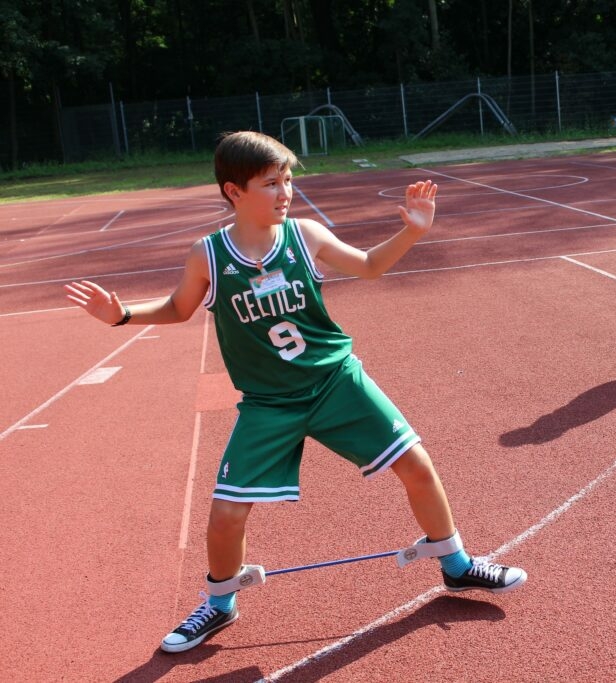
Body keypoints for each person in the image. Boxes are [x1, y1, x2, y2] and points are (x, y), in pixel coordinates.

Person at [63, 131, 526, 654]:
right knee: (227, 514)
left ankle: (457, 565)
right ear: (234, 191)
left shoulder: (304, 235)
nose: (285, 192)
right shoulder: (208, 255)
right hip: (268, 403)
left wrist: (413, 231)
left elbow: (370, 265)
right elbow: (178, 308)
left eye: (287, 180)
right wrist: (122, 314)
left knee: (416, 464)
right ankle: (219, 603)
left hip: (336, 381)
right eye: (271, 183)